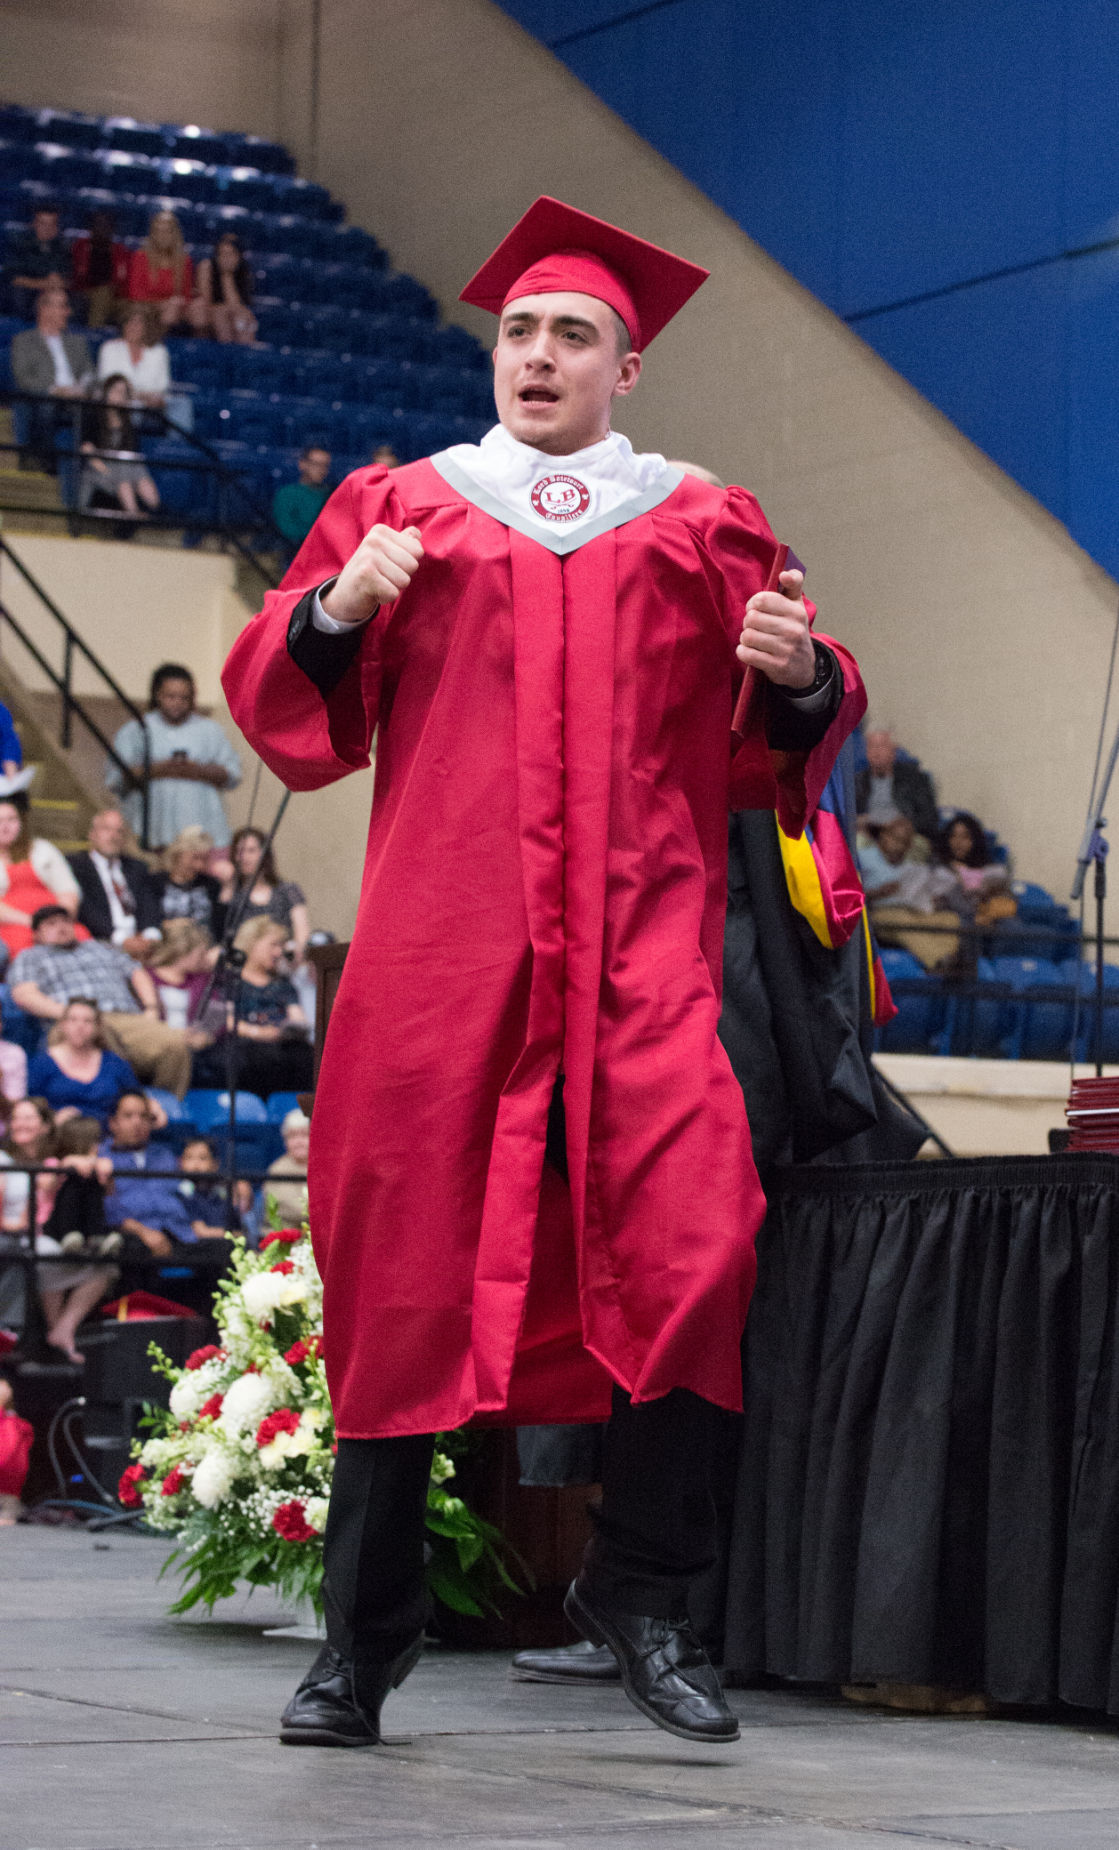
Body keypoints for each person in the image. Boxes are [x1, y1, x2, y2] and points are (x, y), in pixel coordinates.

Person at [224, 196, 864, 1749]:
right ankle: (359, 1650)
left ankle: (641, 1599)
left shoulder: (696, 523)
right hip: (444, 969)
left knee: (694, 1251)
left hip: (643, 961)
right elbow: (293, 713)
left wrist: (795, 678)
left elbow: (782, 725)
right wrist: (334, 607)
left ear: (623, 370)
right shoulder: (408, 512)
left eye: (571, 334)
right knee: (402, 1283)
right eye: (517, 329)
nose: (536, 353)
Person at [9, 905, 192, 1096]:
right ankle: (114, 1109)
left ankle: (164, 1110)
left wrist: (151, 1008)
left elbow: (137, 972)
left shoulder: (102, 947)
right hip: (71, 1021)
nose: (61, 927)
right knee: (98, 1044)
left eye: (65, 921)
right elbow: (24, 994)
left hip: (125, 1018)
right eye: (51, 924)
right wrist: (70, 1014)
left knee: (175, 1045)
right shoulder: (30, 957)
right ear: (37, 934)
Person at [1, 1096, 117, 1364]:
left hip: (45, 1232)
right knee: (45, 1255)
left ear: (45, 1126)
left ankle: (62, 1330)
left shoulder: (52, 1158)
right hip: (16, 1234)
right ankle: (50, 1336)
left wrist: (95, 1163)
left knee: (106, 1268)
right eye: (16, 1118)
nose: (21, 1123)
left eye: (29, 1117)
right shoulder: (3, 1159)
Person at [102, 1092, 232, 1294]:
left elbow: (192, 1185)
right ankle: (138, 1319)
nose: (137, 1123)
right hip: (134, 1233)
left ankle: (216, 1321)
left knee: (226, 1249)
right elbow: (106, 1205)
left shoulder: (164, 1155)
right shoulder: (102, 1157)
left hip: (178, 1231)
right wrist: (143, 1232)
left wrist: (235, 1183)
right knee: (130, 1250)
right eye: (128, 1116)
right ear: (113, 1123)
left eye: (144, 1117)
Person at [107, 664, 242, 851]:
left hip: (203, 840)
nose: (177, 703)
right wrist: (158, 769)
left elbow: (233, 775)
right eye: (171, 696)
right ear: (158, 695)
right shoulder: (136, 730)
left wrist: (196, 770)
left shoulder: (211, 730)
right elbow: (115, 781)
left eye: (184, 698)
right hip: (150, 839)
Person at [193, 916, 313, 1097]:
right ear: (252, 943)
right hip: (243, 1045)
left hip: (279, 1045)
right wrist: (260, 1033)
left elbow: (297, 1018)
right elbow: (225, 1018)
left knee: (307, 1056)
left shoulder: (283, 984)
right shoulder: (228, 980)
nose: (278, 952)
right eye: (273, 945)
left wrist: (288, 1030)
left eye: (281, 946)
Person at [859, 815, 961, 970]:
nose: (899, 846)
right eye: (895, 839)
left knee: (950, 919)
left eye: (904, 843)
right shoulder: (863, 858)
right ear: (883, 836)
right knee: (902, 921)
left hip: (913, 911)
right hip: (879, 913)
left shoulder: (912, 866)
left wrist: (931, 897)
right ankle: (939, 962)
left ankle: (950, 960)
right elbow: (848, 895)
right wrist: (877, 893)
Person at [9, 288, 91, 473]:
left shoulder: (77, 342)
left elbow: (89, 373)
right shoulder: (23, 341)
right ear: (44, 309)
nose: (68, 312)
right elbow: (23, 378)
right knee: (47, 406)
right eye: (63, 306)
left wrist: (82, 387)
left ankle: (85, 466)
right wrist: (55, 390)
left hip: (76, 396)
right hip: (46, 396)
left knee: (97, 408)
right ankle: (49, 464)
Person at [26, 997, 142, 1127]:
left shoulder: (115, 1063)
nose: (80, 1026)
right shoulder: (41, 1064)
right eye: (73, 1020)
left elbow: (135, 1098)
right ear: (62, 1025)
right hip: (58, 1136)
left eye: (87, 1021)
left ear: (98, 1027)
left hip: (107, 1138)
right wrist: (52, 1121)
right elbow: (31, 1106)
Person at [0, 793, 83, 958]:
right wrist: (36, 924)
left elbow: (68, 890)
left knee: (81, 942)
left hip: (57, 920)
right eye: (0, 821)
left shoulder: (43, 849)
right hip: (11, 927)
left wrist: (58, 923)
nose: (5, 826)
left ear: (22, 822)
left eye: (12, 820)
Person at [68, 808, 162, 950]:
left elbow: (149, 903)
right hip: (101, 941)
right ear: (92, 834)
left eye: (119, 831)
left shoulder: (137, 868)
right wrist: (121, 939)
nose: (113, 836)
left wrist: (150, 935)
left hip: (142, 942)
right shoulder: (77, 866)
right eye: (106, 829)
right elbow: (85, 910)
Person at [79, 374, 160, 523]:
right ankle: (134, 517)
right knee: (123, 481)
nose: (119, 396)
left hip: (124, 466)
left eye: (123, 393)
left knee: (141, 481)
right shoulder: (93, 416)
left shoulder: (128, 421)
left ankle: (157, 513)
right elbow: (87, 451)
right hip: (99, 469)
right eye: (116, 391)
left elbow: (131, 452)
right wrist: (110, 472)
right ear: (106, 392)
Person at [855, 726, 939, 845]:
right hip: (869, 835)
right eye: (872, 746)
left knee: (919, 844)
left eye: (882, 746)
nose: (876, 752)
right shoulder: (857, 781)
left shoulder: (915, 779)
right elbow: (847, 816)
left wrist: (902, 825)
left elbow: (929, 818)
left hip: (905, 835)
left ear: (894, 751)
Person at [126, 212, 193, 334]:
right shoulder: (141, 256)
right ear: (153, 234)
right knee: (169, 310)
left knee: (193, 310)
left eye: (167, 231)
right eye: (158, 231)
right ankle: (155, 345)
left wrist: (175, 304)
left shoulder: (184, 260)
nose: (163, 236)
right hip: (145, 307)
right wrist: (162, 304)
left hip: (175, 309)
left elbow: (186, 295)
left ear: (175, 234)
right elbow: (135, 294)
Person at [149, 826, 225, 935]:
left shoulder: (211, 884)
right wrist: (175, 924)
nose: (199, 865)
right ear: (178, 854)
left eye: (204, 859)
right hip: (168, 943)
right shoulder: (155, 882)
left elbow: (220, 925)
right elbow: (149, 922)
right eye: (195, 858)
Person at [95, 305, 171, 410]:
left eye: (138, 323)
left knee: (180, 403)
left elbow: (162, 386)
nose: (132, 327)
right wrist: (138, 395)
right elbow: (108, 381)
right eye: (128, 322)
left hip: (151, 405)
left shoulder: (159, 351)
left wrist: (138, 394)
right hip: (119, 403)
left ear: (147, 327)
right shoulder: (109, 348)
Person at [189, 232, 257, 345]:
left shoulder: (244, 271)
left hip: (233, 314)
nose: (226, 258)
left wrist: (227, 275)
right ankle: (226, 350)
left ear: (239, 256)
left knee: (243, 316)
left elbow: (236, 306)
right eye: (222, 254)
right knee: (220, 314)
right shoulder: (207, 266)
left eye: (230, 254)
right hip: (209, 312)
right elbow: (206, 300)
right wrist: (223, 274)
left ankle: (244, 350)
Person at [5, 204, 69, 319]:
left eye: (52, 224)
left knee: (65, 297)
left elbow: (66, 278)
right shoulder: (19, 243)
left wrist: (57, 282)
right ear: (34, 224)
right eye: (43, 223)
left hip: (52, 292)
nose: (47, 229)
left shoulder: (62, 247)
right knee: (18, 294)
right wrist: (44, 284)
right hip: (26, 292)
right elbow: (14, 278)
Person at [70, 210, 131, 329]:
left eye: (106, 226)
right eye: (98, 225)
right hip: (85, 294)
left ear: (112, 229)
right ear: (91, 228)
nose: (102, 229)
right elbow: (75, 278)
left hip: (114, 297)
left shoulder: (120, 251)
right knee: (102, 294)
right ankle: (95, 333)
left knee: (133, 308)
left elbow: (124, 283)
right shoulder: (80, 247)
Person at [272, 445, 332, 556]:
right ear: (302, 464)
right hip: (296, 553)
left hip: (327, 553)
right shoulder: (288, 493)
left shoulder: (332, 494)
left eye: (325, 465)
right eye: (316, 464)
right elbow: (287, 529)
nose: (321, 470)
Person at [262, 1106, 309, 1228]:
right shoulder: (277, 1170)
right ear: (285, 1140)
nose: (299, 1142)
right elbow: (298, 1211)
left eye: (305, 1135)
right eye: (292, 1136)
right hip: (286, 1241)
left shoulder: (323, 1167)